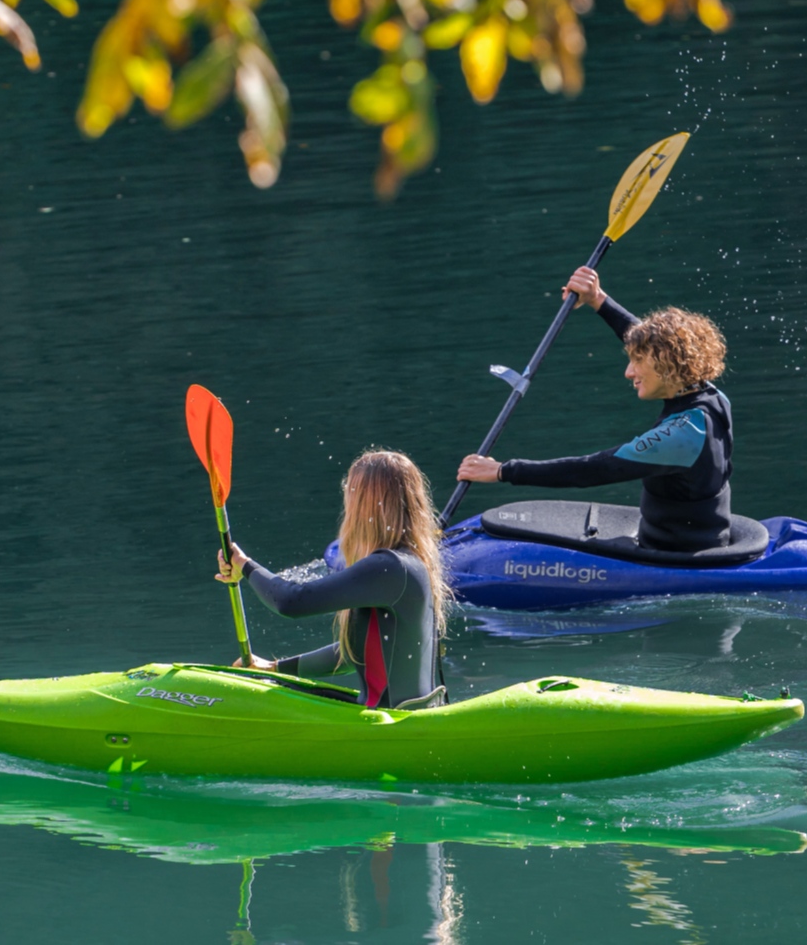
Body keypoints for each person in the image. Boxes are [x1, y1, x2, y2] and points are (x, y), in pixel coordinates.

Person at [456, 266, 734, 552]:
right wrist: (597, 299)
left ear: (667, 366)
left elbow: (592, 469)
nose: (628, 372)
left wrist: (503, 471)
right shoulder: (709, 392)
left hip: (675, 554)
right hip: (699, 536)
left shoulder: (680, 436)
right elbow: (650, 340)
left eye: (637, 361)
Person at [215, 450, 452, 709]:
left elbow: (292, 601)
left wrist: (244, 566)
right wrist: (275, 668)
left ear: (367, 505)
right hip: (393, 716)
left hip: (392, 726)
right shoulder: (409, 564)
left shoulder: (390, 567)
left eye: (351, 494)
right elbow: (354, 653)